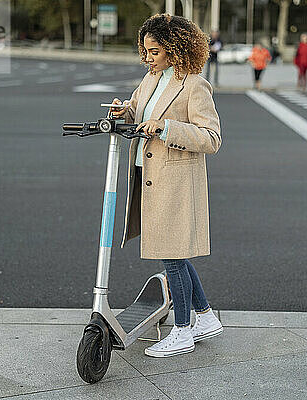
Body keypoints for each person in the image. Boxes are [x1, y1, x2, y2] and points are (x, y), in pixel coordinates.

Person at [109, 14, 223, 358]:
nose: (147, 58)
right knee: (174, 253)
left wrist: (167, 128)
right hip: (148, 175)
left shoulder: (194, 85)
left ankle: (183, 330)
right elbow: (138, 110)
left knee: (171, 255)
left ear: (174, 50)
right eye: (144, 51)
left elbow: (212, 138)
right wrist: (123, 112)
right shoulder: (152, 78)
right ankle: (204, 318)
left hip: (175, 180)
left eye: (154, 51)